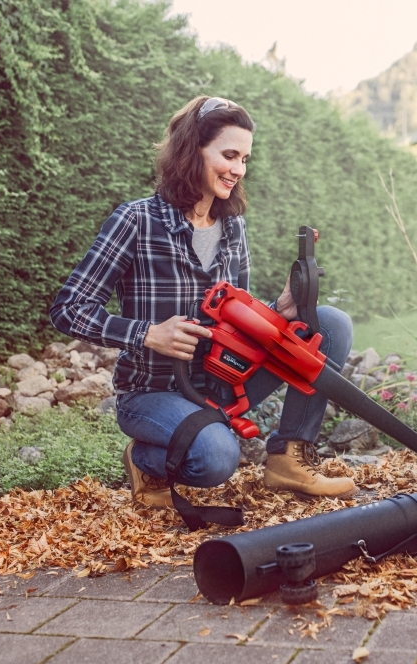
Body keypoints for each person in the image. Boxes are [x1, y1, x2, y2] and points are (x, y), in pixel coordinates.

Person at [50, 96, 357, 508]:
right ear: (192, 150)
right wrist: (148, 334)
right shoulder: (135, 221)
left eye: (245, 158)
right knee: (216, 459)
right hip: (152, 392)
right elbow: (69, 307)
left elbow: (237, 319)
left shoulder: (233, 228)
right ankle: (145, 461)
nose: (238, 169)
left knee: (329, 324)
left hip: (222, 379)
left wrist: (278, 312)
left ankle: (288, 459)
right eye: (229, 155)